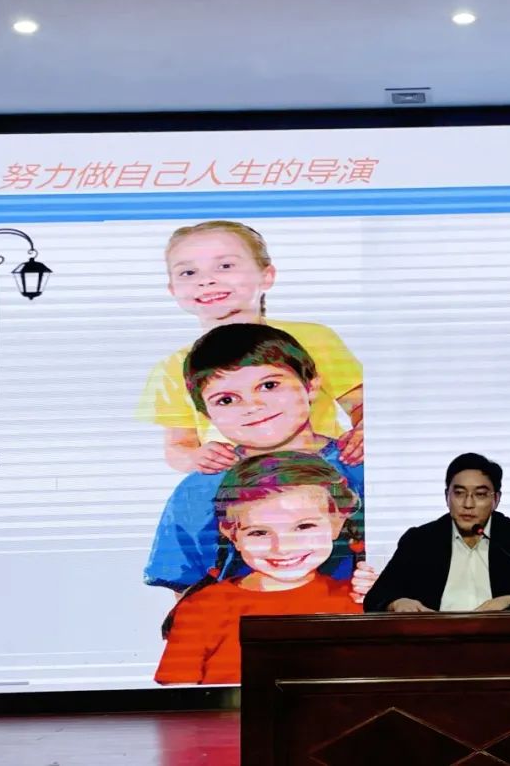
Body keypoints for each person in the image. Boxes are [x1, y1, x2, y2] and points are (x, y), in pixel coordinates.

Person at [143, 322, 373, 597]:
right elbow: (186, 591)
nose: (253, 406)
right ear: (206, 414)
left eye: (269, 385)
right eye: (227, 400)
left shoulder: (360, 466)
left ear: (311, 386)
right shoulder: (197, 490)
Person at [136, 220, 364, 473]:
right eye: (188, 272)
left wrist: (363, 431)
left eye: (225, 266)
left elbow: (360, 404)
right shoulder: (173, 367)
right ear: (172, 289)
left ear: (266, 275)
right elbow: (178, 445)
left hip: (325, 474)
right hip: (241, 485)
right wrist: (195, 458)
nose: (206, 280)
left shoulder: (315, 338)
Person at [155, 452, 362, 685]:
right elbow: (179, 697)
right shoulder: (201, 609)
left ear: (337, 523)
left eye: (304, 527)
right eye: (259, 532)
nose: (282, 548)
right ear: (231, 533)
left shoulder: (356, 601)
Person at [363, 453, 510, 613]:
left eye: (480, 494)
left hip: (501, 642)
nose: (468, 504)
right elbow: (374, 599)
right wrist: (397, 602)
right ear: (447, 497)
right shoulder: (420, 540)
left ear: (496, 499)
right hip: (436, 643)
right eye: (459, 493)